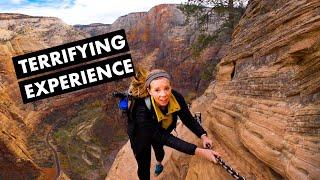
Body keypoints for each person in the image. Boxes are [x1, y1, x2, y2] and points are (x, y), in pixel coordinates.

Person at [127, 68, 220, 180]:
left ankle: (159, 163)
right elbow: (163, 137)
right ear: (149, 91)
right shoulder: (141, 110)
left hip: (159, 127)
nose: (164, 94)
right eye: (157, 90)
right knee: (143, 163)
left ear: (171, 86)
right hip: (140, 134)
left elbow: (188, 119)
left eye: (166, 88)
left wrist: (203, 136)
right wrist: (200, 152)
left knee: (159, 150)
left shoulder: (176, 98)